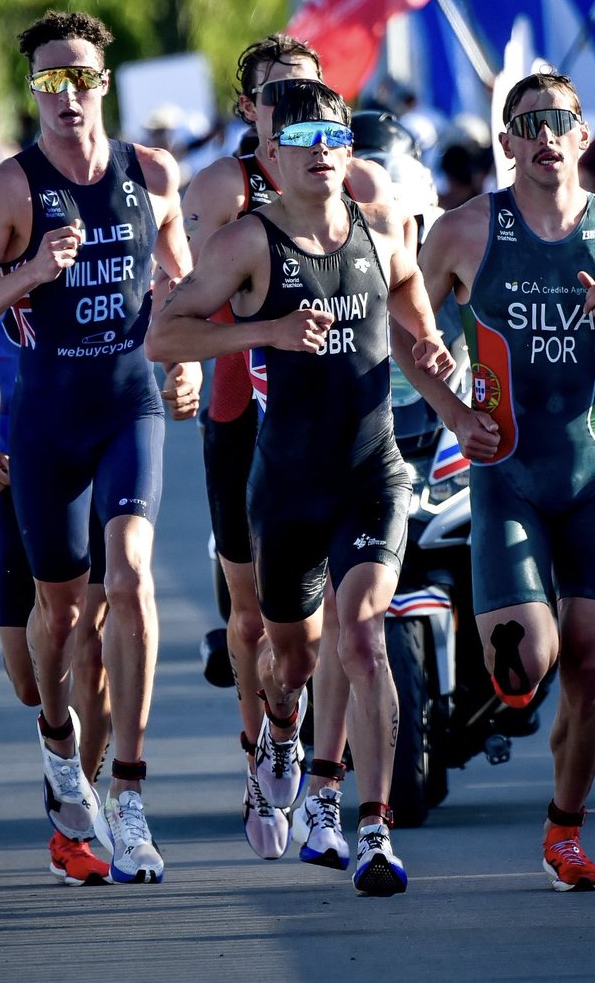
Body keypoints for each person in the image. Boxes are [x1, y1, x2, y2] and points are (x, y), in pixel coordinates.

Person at [147, 82, 454, 895]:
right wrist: (267, 332)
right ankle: (281, 732)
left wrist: (450, 386)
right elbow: (164, 335)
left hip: (371, 474)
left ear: (349, 150)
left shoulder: (386, 238)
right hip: (284, 484)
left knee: (362, 636)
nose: (320, 147)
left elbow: (420, 334)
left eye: (334, 133)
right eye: (301, 134)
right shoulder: (245, 245)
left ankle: (368, 827)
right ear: (271, 155)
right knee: (294, 659)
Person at [390, 70, 595, 891]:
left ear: (583, 137)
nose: (548, 134)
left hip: (594, 472)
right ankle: (519, 700)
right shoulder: (462, 232)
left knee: (590, 663)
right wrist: (450, 408)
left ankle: (565, 832)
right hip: (506, 473)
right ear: (507, 142)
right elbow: (407, 330)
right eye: (530, 122)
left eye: (562, 120)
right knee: (524, 667)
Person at [0, 9, 199, 885]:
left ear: (104, 84)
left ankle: (127, 792)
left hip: (127, 407)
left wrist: (188, 356)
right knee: (62, 621)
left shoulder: (151, 172)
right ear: (33, 91)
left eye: (80, 76)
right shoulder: (9, 191)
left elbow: (185, 284)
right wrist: (31, 273)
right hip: (44, 427)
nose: (67, 94)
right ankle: (57, 743)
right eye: (49, 80)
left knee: (128, 578)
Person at [182, 36, 388, 869]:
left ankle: (330, 782)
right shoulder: (221, 191)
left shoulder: (354, 185)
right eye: (281, 103)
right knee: (251, 620)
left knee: (348, 615)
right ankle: (263, 750)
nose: (302, 120)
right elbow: (201, 299)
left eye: (315, 104)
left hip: (336, 421)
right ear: (252, 115)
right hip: (244, 417)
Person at [0, 314, 113, 885]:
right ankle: (64, 773)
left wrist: (182, 374)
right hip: (18, 470)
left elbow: (165, 304)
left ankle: (73, 829)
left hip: (100, 465)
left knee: (90, 645)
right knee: (30, 680)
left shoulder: (114, 232)